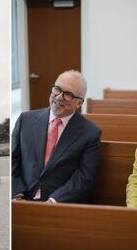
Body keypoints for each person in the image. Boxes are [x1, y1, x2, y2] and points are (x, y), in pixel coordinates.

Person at [11, 70, 102, 203]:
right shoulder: (25, 120)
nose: (59, 97)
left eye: (68, 95)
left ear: (79, 103)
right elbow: (13, 161)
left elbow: (84, 177)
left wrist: (54, 201)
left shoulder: (90, 133)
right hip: (21, 199)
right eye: (57, 89)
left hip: (60, 204)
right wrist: (16, 195)